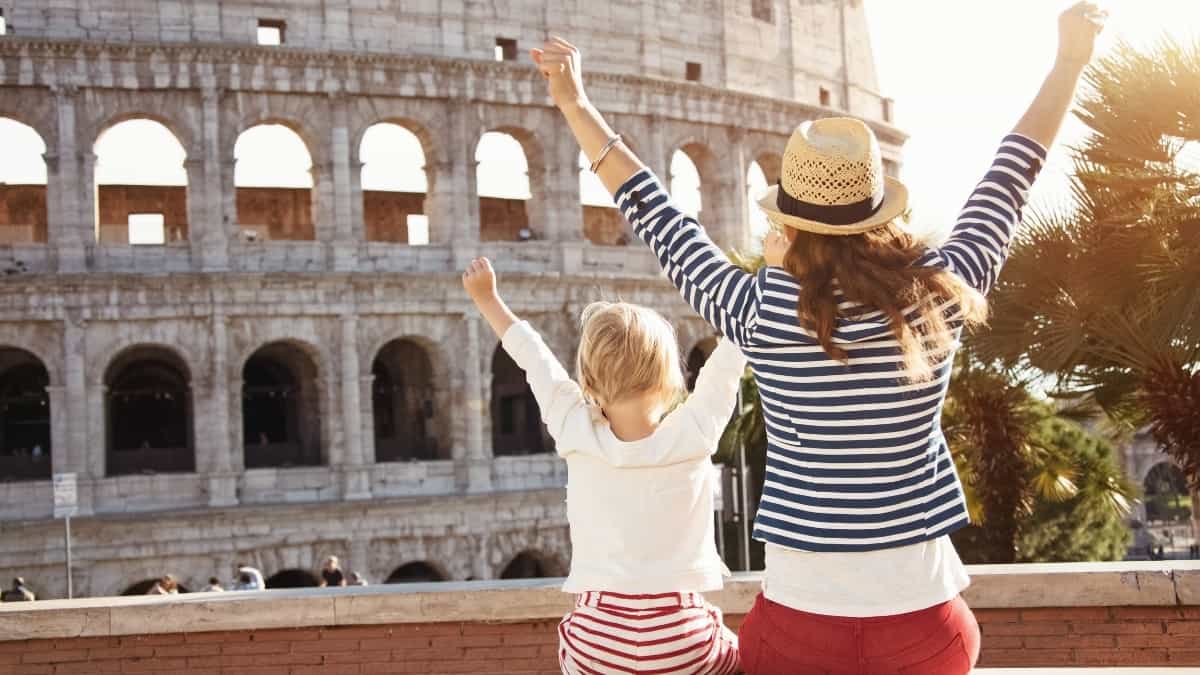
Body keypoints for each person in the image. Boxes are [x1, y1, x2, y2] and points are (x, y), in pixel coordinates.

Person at [531, 3, 1106, 672]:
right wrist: (1068, 64)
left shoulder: (759, 311)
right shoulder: (937, 296)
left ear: (793, 223)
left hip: (797, 632)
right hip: (925, 629)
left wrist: (575, 102)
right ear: (875, 210)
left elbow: (658, 214)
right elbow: (1011, 175)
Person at [462, 256, 744, 674]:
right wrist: (775, 276)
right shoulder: (694, 432)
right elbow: (728, 363)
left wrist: (488, 299)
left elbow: (533, 357)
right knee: (737, 653)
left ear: (588, 382)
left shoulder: (574, 428)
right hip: (682, 635)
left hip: (597, 634)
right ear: (670, 378)